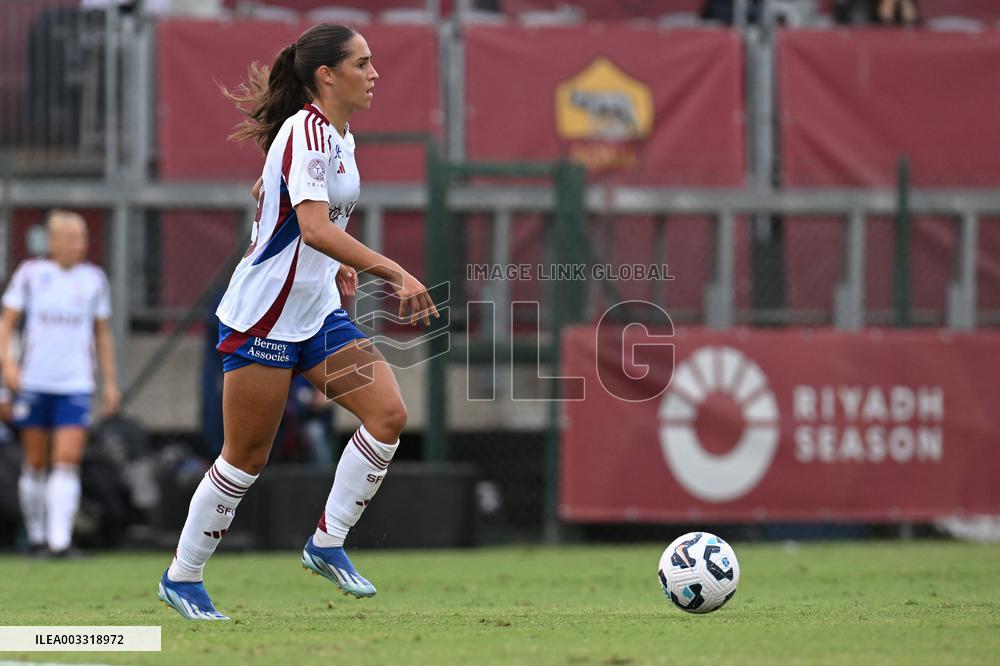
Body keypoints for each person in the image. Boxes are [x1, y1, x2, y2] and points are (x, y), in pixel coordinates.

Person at [157, 23, 438, 621]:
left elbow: (295, 212)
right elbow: (311, 227)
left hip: (315, 313)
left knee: (387, 416)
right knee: (245, 458)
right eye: (362, 63)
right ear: (327, 75)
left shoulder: (339, 136)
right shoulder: (304, 131)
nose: (374, 74)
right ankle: (183, 577)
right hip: (265, 316)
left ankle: (326, 543)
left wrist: (338, 264)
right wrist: (393, 271)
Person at [0, 210, 120, 556]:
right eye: (70, 238)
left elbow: (102, 334)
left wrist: (110, 382)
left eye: (82, 238)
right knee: (36, 463)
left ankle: (60, 542)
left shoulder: (94, 279)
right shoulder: (30, 275)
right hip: (34, 382)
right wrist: (8, 364)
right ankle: (36, 535)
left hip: (75, 383)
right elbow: (6, 323)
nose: (78, 245)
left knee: (67, 460)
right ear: (52, 242)